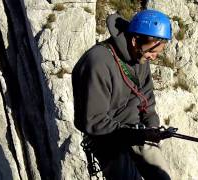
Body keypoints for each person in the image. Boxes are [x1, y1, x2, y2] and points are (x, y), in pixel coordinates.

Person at [72, 9, 174, 180]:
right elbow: (94, 120)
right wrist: (137, 135)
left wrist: (152, 127)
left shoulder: (140, 57)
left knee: (161, 176)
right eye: (152, 51)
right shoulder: (97, 63)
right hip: (106, 137)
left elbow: (146, 97)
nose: (154, 57)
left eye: (158, 53)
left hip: (136, 130)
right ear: (135, 40)